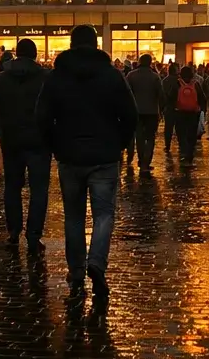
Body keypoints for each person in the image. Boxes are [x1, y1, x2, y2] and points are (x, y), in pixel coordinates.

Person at [35, 25, 136, 301]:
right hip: (104, 155)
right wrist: (120, 143)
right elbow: (130, 114)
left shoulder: (56, 77)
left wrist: (55, 145)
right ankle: (97, 263)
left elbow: (42, 116)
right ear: (96, 44)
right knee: (104, 214)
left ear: (71, 44)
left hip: (70, 155)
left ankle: (77, 270)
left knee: (74, 216)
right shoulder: (112, 76)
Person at [0, 38, 51, 248]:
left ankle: (13, 230)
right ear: (35, 55)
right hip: (39, 140)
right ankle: (34, 234)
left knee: (12, 187)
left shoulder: (1, 79)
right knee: (39, 189)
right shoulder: (46, 78)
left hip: (11, 139)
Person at [124, 54, 162, 170]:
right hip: (152, 111)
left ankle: (141, 159)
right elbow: (161, 95)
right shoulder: (155, 77)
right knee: (150, 137)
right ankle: (146, 161)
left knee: (139, 137)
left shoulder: (131, 75)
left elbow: (125, 93)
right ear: (150, 62)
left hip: (136, 111)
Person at [167, 66, 206, 161]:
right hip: (193, 112)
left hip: (180, 112)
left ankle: (184, 150)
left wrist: (172, 109)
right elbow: (202, 97)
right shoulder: (195, 84)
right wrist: (202, 109)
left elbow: (171, 97)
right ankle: (190, 152)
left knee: (181, 132)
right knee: (192, 133)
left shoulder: (178, 83)